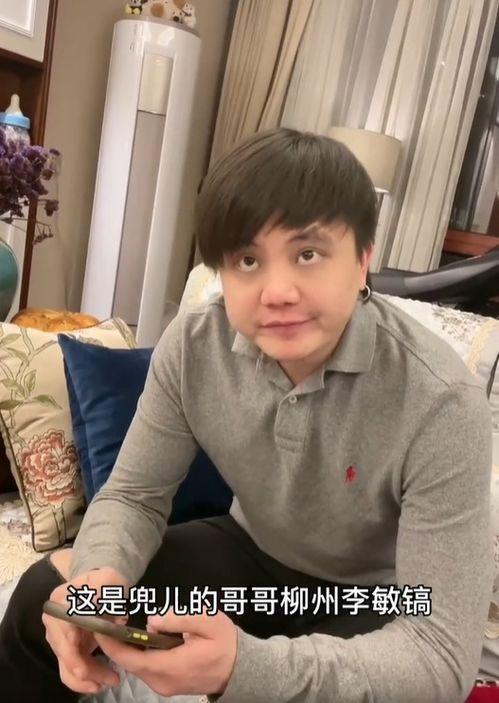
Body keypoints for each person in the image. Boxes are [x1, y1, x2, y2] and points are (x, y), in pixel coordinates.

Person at [0, 128, 493, 703]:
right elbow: (135, 494)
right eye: (248, 260)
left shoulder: (441, 401)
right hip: (250, 557)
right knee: (45, 597)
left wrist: (248, 668)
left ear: (363, 259)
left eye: (308, 254)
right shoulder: (195, 346)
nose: (277, 291)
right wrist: (100, 578)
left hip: (373, 596)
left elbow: (440, 653)